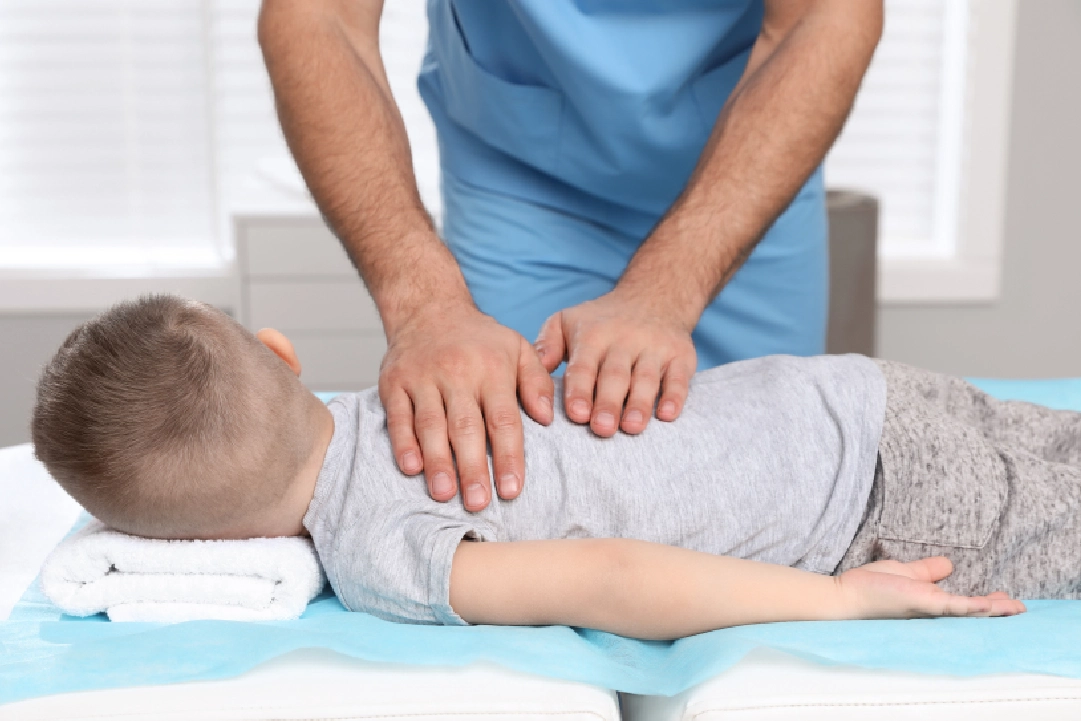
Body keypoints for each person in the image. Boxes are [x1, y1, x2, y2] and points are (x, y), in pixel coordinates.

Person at [39, 295, 1081, 639]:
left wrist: (840, 604)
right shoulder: (403, 392)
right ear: (279, 354)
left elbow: (616, 578)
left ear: (212, 547)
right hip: (843, 397)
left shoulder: (380, 555)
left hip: (875, 503)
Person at [256, 1, 885, 512]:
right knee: (509, 495)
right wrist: (425, 307)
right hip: (520, 170)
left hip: (740, 160)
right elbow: (318, 16)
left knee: (777, 496)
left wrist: (664, 291)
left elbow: (825, 16)